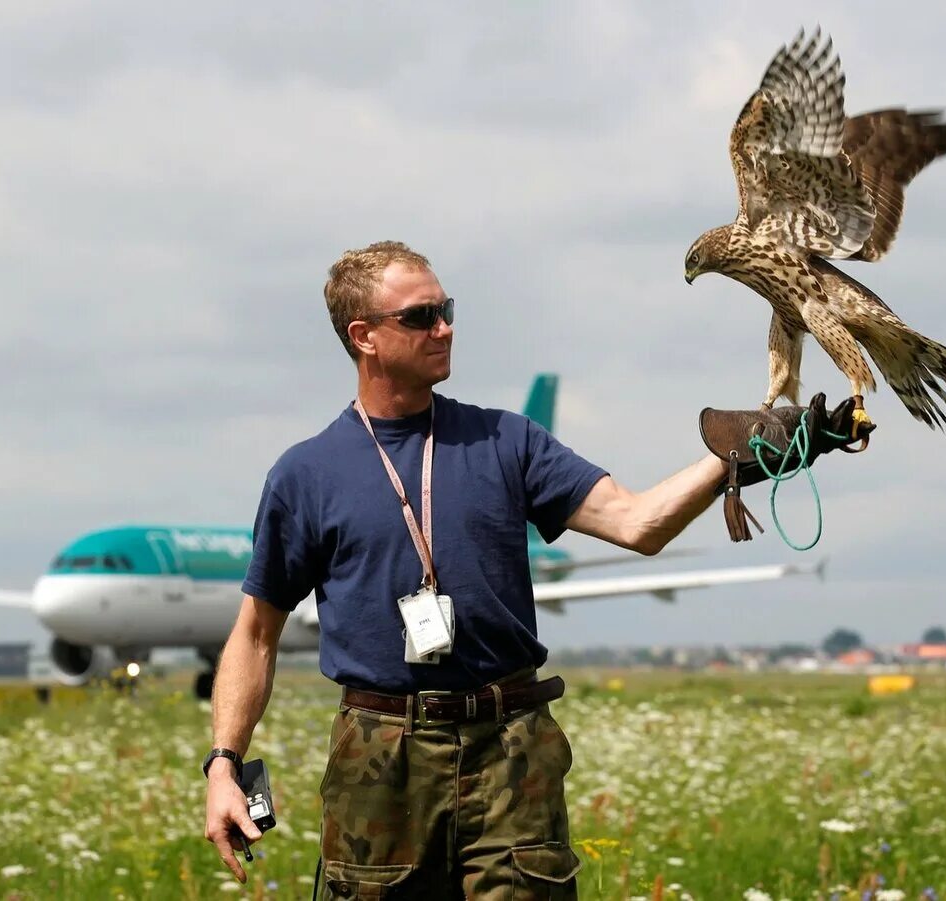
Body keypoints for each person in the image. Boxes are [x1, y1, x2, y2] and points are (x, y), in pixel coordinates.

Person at [203, 241, 866, 898]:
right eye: (420, 316)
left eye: (447, 309)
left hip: (510, 747)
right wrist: (225, 766)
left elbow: (637, 523)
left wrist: (737, 457)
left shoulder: (506, 441)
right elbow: (257, 633)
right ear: (364, 336)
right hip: (381, 756)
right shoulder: (307, 473)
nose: (445, 327)